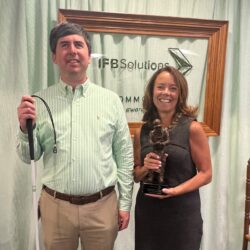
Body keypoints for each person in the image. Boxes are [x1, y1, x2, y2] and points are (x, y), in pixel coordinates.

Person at [16, 22, 134, 250]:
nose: (72, 50)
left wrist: (125, 203)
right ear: (54, 57)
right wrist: (23, 129)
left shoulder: (110, 101)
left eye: (78, 45)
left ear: (89, 56)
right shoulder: (38, 101)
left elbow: (124, 155)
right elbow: (29, 156)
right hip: (55, 207)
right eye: (64, 45)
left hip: (102, 206)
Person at [133, 66, 212, 250]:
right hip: (148, 213)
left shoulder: (192, 128)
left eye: (173, 88)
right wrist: (145, 167)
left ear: (180, 94)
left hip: (182, 214)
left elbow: (206, 173)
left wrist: (175, 191)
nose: (166, 93)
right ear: (152, 91)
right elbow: (136, 175)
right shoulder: (141, 131)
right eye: (160, 87)